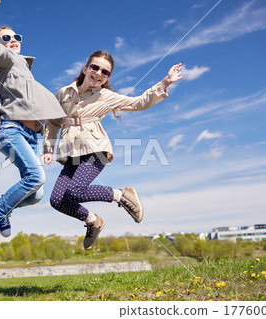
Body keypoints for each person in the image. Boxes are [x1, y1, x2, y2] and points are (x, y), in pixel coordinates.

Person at [42, 51, 182, 250]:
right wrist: (48, 147)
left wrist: (165, 83)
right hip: (71, 152)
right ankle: (93, 221)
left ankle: (123, 195)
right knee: (57, 200)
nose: (99, 73)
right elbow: (54, 123)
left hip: (95, 148)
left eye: (105, 72)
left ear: (107, 77)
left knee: (75, 190)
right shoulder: (63, 93)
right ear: (85, 69)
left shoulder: (105, 96)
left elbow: (138, 102)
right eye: (95, 67)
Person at [0, 0, 66, 258]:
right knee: (36, 177)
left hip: (29, 135)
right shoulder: (5, 60)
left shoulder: (22, 69)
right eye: (6, 38)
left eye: (16, 37)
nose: (13, 40)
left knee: (36, 195)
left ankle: (1, 205)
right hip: (11, 130)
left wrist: (47, 145)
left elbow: (40, 115)